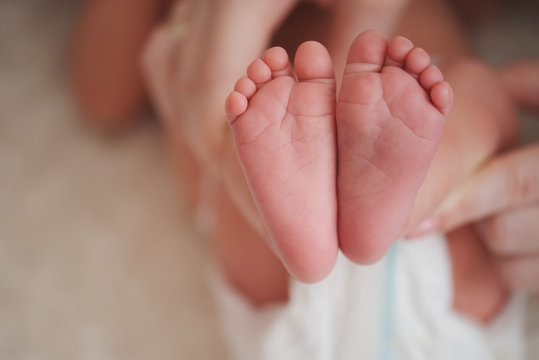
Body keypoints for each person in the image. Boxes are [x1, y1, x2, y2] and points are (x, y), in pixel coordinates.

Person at [69, 0, 538, 357]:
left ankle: (294, 208)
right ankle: (416, 195)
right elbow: (103, 94)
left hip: (274, 263)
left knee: (230, 133)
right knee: (469, 97)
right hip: (451, 254)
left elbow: (101, 95)